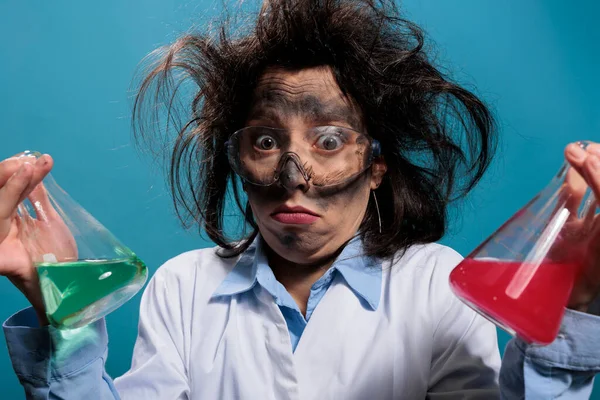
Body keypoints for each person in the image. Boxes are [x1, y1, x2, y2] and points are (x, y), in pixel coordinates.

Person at [2, 0, 600, 398]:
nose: (295, 175)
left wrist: (566, 316)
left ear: (375, 168)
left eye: (330, 140)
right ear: (238, 159)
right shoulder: (184, 286)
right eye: (266, 140)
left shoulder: (435, 282)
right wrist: (66, 311)